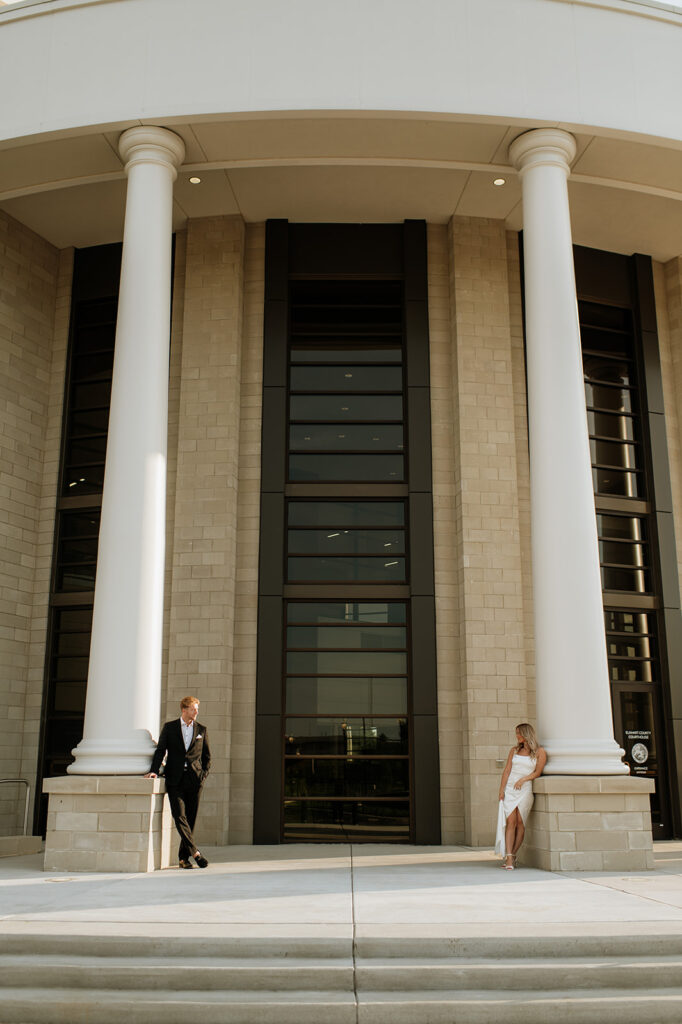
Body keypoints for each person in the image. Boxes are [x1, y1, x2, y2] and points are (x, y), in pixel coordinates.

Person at [145, 695, 211, 869]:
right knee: (179, 816)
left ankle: (183, 858)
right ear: (184, 709)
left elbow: (207, 757)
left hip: (195, 781)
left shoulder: (202, 730)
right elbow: (160, 751)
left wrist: (202, 776)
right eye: (193, 708)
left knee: (190, 819)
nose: (196, 712)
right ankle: (195, 852)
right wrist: (154, 770)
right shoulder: (170, 728)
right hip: (174, 779)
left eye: (197, 709)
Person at [495, 723, 546, 870]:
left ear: (526, 734)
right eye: (516, 733)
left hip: (524, 789)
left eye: (519, 734)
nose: (517, 736)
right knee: (510, 822)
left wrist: (523, 779)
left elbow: (537, 772)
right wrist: (502, 789)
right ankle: (509, 857)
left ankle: (513, 855)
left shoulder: (540, 752)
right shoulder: (514, 750)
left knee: (520, 822)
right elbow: (507, 771)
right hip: (511, 789)